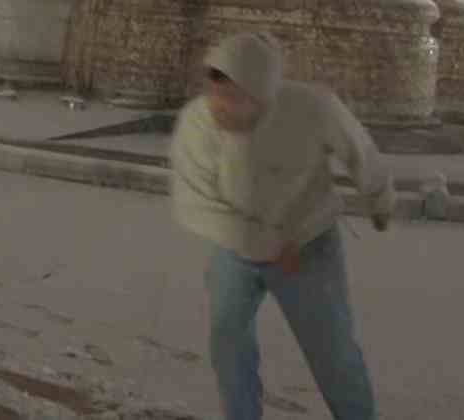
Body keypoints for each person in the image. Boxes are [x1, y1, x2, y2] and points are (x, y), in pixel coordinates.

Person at [169, 32, 394, 420]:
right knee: (228, 343)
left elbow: (360, 152)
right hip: (236, 244)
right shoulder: (197, 124)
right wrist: (263, 243)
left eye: (236, 98)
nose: (222, 107)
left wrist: (379, 197)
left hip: (307, 243)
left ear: (262, 95)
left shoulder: (311, 109)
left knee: (331, 349)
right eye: (217, 93)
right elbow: (194, 204)